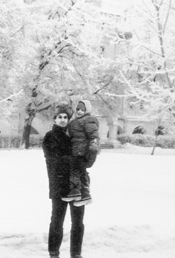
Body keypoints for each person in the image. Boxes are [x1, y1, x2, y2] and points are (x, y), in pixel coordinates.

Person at [42, 103, 85, 258]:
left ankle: (76, 254)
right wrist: (76, 160)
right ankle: (53, 253)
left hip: (77, 185)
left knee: (78, 222)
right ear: (54, 119)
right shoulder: (50, 136)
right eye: (59, 117)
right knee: (57, 221)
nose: (62, 120)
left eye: (65, 117)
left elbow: (85, 156)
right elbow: (54, 160)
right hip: (59, 184)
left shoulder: (74, 136)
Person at [62, 100, 99, 207]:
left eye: (82, 110)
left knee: (81, 171)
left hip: (83, 151)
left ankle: (85, 193)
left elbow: (93, 134)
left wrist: (93, 144)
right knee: (74, 171)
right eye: (78, 109)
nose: (79, 111)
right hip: (75, 150)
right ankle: (76, 191)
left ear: (87, 110)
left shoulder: (89, 120)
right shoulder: (74, 121)